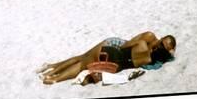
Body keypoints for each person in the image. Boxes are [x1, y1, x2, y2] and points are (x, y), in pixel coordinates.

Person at [38, 32, 176, 85]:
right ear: (161, 38)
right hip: (117, 44)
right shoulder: (149, 37)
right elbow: (126, 44)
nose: (159, 47)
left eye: (163, 48)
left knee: (83, 60)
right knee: (82, 58)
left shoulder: (154, 56)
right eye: (161, 44)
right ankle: (52, 68)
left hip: (118, 52)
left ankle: (52, 73)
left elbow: (131, 49)